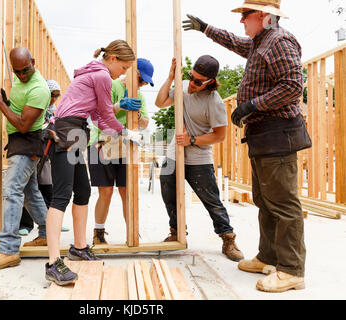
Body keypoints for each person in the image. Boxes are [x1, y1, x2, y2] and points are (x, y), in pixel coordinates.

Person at [182, 0, 312, 292]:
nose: (241, 21)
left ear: (264, 16)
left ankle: (291, 270)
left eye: (245, 15)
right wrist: (206, 29)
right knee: (265, 200)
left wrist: (253, 104)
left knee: (282, 203)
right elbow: (235, 43)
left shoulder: (279, 41)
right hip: (264, 134)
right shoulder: (261, 42)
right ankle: (269, 256)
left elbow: (292, 86)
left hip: (279, 134)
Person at [45, 40, 142, 286]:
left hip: (76, 130)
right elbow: (108, 114)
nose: (126, 72)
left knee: (83, 191)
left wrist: (118, 131)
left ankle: (79, 247)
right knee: (61, 196)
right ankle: (53, 263)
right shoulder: (103, 76)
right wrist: (126, 132)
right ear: (113, 60)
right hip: (66, 131)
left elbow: (99, 114)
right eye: (125, 67)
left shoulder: (94, 73)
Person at [156, 56, 245, 263]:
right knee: (168, 192)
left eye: (198, 81)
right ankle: (176, 232)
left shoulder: (214, 102)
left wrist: (192, 139)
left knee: (211, 200)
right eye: (191, 77)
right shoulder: (183, 88)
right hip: (174, 153)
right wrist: (170, 78)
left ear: (210, 82)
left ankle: (228, 237)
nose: (192, 84)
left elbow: (219, 136)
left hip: (199, 157)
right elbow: (160, 103)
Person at [0, 47, 50, 271]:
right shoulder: (20, 78)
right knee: (30, 192)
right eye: (17, 72)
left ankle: (8, 250)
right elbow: (18, 110)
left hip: (28, 141)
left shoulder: (39, 89)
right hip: (20, 141)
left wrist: (1, 105)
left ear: (34, 62)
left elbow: (23, 124)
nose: (21, 76)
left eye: (25, 71)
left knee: (11, 191)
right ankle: (49, 234)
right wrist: (8, 104)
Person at [88, 58, 154, 245]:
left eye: (144, 83)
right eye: (141, 80)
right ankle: (98, 233)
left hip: (124, 147)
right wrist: (118, 106)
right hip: (101, 143)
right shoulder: (110, 85)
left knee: (127, 191)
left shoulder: (139, 96)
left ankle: (132, 231)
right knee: (106, 191)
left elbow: (145, 123)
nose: (141, 85)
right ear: (131, 72)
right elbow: (99, 116)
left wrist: (138, 114)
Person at [19, 80, 69, 237]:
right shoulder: (35, 108)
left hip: (45, 154)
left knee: (47, 187)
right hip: (32, 151)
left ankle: (51, 222)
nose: (54, 98)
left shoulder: (54, 112)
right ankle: (26, 224)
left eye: (57, 95)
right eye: (51, 95)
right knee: (27, 188)